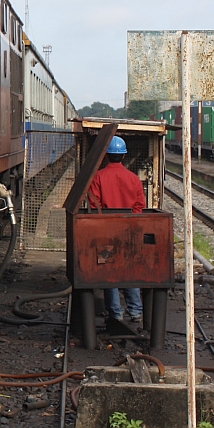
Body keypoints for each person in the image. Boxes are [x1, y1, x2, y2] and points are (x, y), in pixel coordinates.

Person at [87, 135, 146, 326]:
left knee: (109, 272)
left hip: (106, 232)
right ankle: (136, 311)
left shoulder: (98, 177)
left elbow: (93, 204)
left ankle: (116, 313)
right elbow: (140, 206)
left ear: (106, 155)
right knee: (130, 271)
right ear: (123, 156)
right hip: (129, 232)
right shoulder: (133, 179)